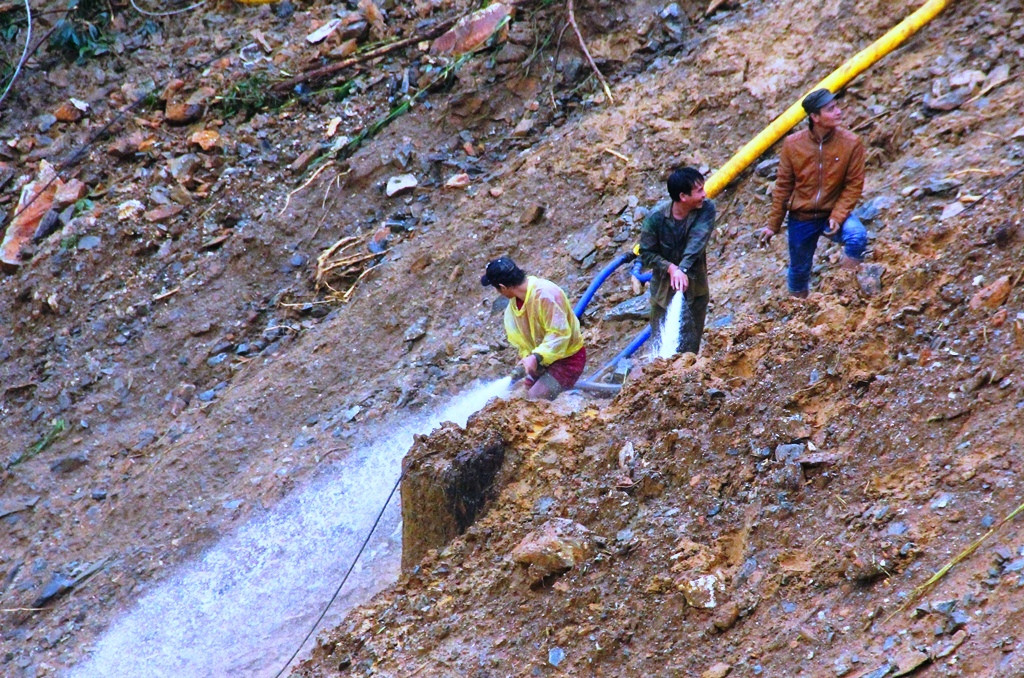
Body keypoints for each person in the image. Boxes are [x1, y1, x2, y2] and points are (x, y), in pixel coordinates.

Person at [757, 88, 868, 298]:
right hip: (802, 217)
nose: (838, 112)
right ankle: (797, 316)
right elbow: (783, 187)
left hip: (832, 213)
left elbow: (854, 185)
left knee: (857, 237)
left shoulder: (851, 143)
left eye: (837, 107)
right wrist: (773, 225)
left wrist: (837, 216)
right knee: (799, 271)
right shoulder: (792, 145)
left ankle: (846, 293)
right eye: (830, 109)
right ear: (815, 117)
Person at [480, 256, 586, 400]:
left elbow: (559, 334)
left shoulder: (546, 295)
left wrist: (536, 357)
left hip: (568, 360)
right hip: (543, 362)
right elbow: (523, 338)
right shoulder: (515, 304)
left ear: (503, 287)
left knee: (532, 401)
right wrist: (528, 358)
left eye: (496, 288)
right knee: (517, 398)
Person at [639, 166, 717, 354]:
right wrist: (671, 269)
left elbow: (697, 242)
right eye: (699, 191)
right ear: (683, 196)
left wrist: (682, 269)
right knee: (661, 349)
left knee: (689, 352)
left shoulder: (706, 209)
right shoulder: (656, 218)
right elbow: (647, 254)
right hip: (663, 295)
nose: (704, 194)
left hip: (695, 292)